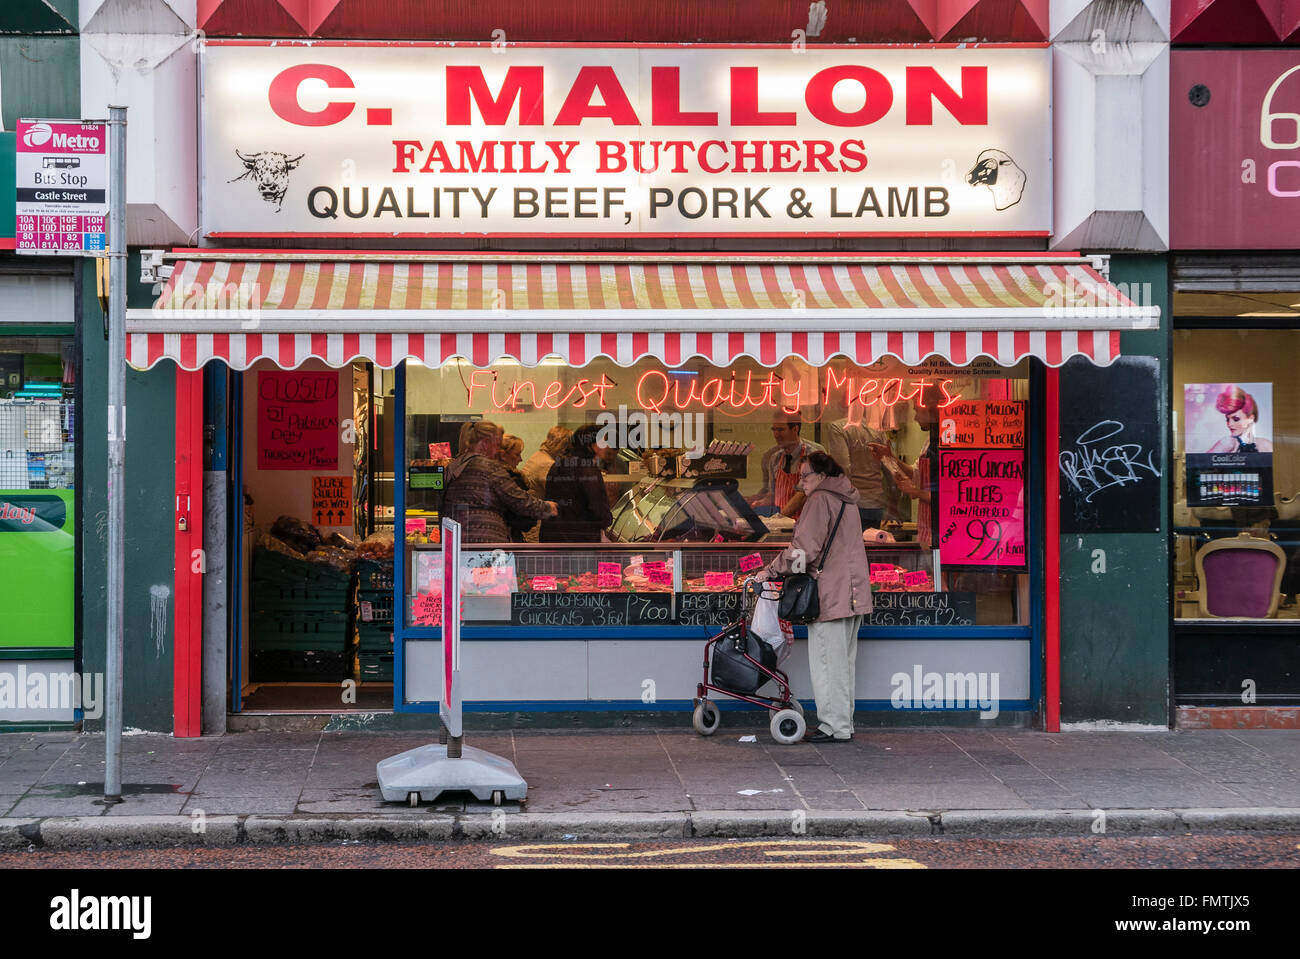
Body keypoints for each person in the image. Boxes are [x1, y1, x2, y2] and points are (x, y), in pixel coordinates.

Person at [751, 452, 870, 743]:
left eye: (805, 476)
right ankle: (844, 723)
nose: (801, 483)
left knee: (828, 664)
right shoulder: (847, 499)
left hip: (831, 594)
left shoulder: (819, 500)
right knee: (844, 664)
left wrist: (772, 570)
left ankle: (833, 727)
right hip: (854, 593)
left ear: (821, 476)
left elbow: (803, 552)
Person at [443, 421, 557, 543]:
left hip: (456, 539)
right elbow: (517, 499)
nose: (498, 451)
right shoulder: (489, 468)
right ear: (486, 444)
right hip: (486, 542)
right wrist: (548, 507)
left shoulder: (455, 465)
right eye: (497, 445)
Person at [869, 401, 938, 548]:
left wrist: (915, 492)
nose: (915, 418)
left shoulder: (944, 445)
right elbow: (915, 473)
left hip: (940, 530)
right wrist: (890, 457)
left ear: (932, 413)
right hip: (926, 526)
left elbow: (946, 497)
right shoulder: (928, 443)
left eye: (918, 412)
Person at [540, 423, 615, 543]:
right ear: (591, 445)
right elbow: (598, 509)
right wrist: (608, 520)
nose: (606, 446)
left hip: (552, 537)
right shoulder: (587, 469)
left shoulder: (558, 464)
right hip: (579, 540)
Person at [825, 403, 890, 529]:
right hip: (875, 502)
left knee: (850, 546)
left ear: (842, 406)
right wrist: (894, 502)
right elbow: (889, 467)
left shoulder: (837, 427)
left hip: (851, 502)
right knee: (871, 544)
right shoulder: (877, 429)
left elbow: (843, 468)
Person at [749, 414, 824, 519]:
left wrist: (779, 519)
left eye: (780, 430)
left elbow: (802, 494)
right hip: (784, 526)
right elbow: (772, 495)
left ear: (795, 429)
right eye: (774, 430)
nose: (776, 435)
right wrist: (757, 503)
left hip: (808, 523)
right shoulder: (775, 458)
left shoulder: (812, 455)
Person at [519, 426, 572, 543]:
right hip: (536, 525)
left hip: (530, 518)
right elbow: (560, 494)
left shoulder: (539, 456)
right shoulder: (547, 464)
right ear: (563, 447)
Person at [1207, 385, 1273, 453]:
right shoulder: (1226, 444)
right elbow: (1201, 462)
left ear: (1250, 419)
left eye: (1236, 419)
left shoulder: (1265, 445)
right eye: (1227, 419)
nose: (1229, 424)